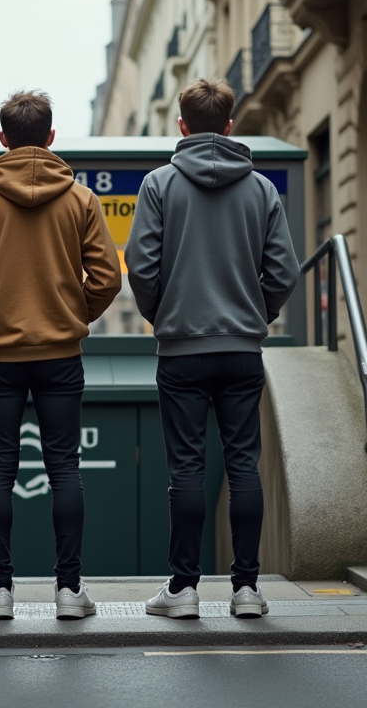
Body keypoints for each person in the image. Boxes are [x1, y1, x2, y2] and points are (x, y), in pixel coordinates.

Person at [0, 91, 122, 620]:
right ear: (51, 137)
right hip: (61, 353)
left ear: (2, 138)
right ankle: (69, 591)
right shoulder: (81, 199)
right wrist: (74, 314)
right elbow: (107, 278)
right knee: (65, 467)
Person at [126, 78, 300, 619]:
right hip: (242, 350)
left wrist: (165, 317)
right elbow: (284, 272)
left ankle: (183, 589)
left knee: (186, 469)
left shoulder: (159, 184)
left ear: (182, 125)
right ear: (229, 125)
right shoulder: (261, 189)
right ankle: (246, 590)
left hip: (180, 350)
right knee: (244, 465)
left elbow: (142, 268)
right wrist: (254, 316)